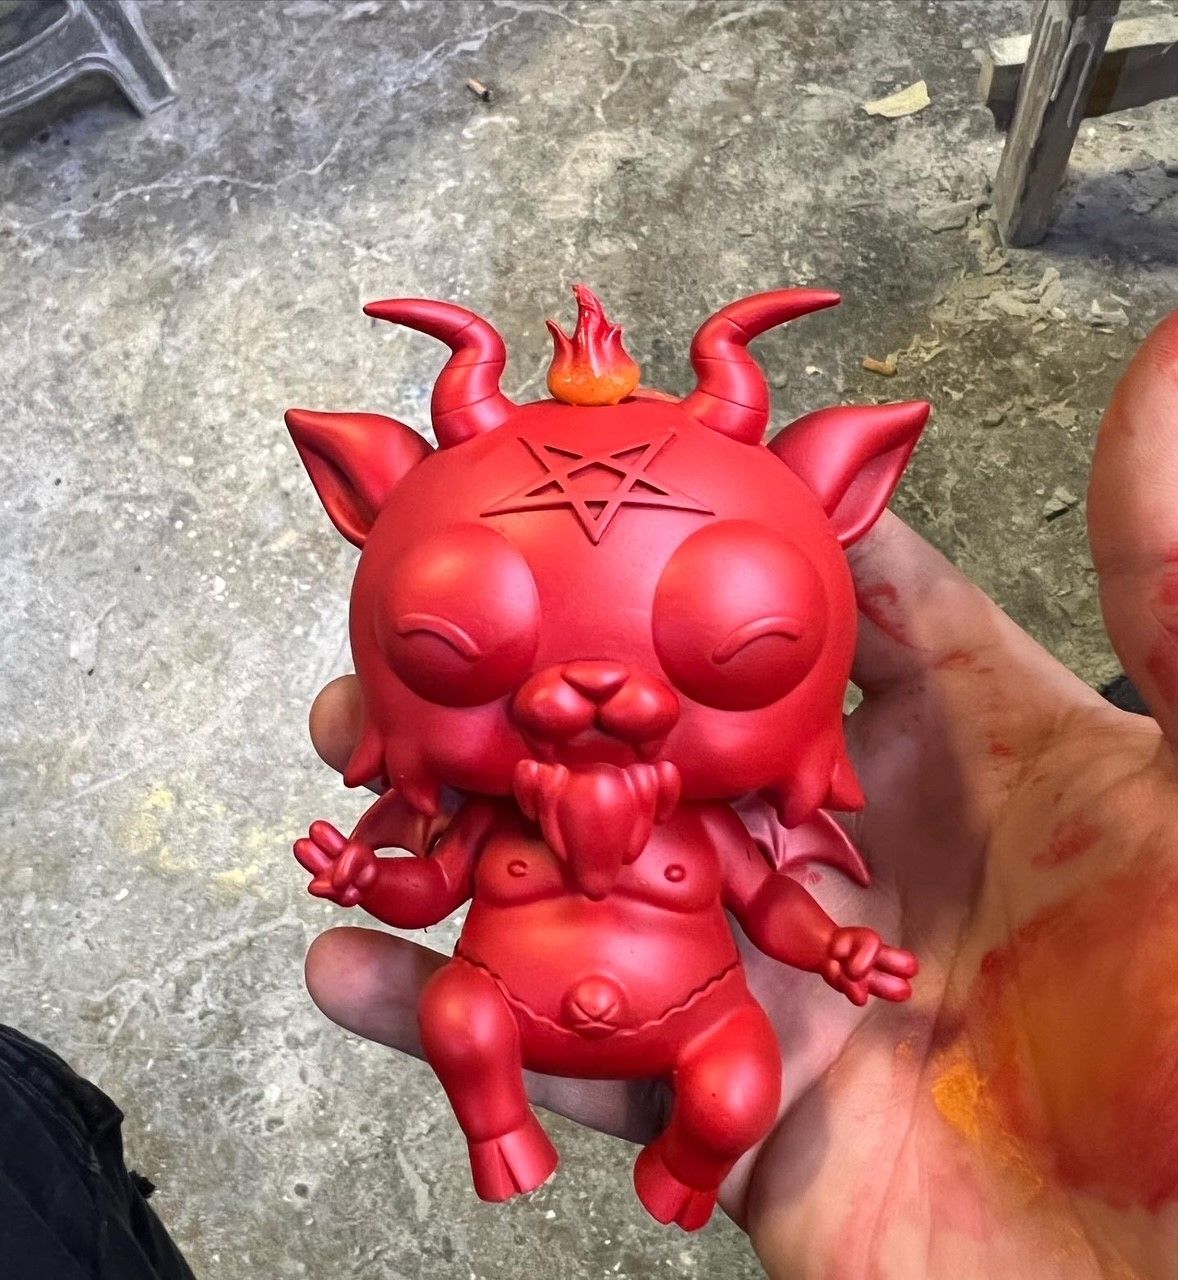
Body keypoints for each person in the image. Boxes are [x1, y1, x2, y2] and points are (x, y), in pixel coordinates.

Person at [3, 312, 1175, 1279]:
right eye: (457, 641)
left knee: (737, 1089)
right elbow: (425, 891)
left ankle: (689, 1167)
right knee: (459, 1019)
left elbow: (772, 903)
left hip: (704, 1014)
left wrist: (832, 948)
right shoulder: (495, 827)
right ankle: (497, 1123)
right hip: (504, 999)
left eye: (737, 643)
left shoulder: (713, 833)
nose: (596, 688)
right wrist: (370, 874)